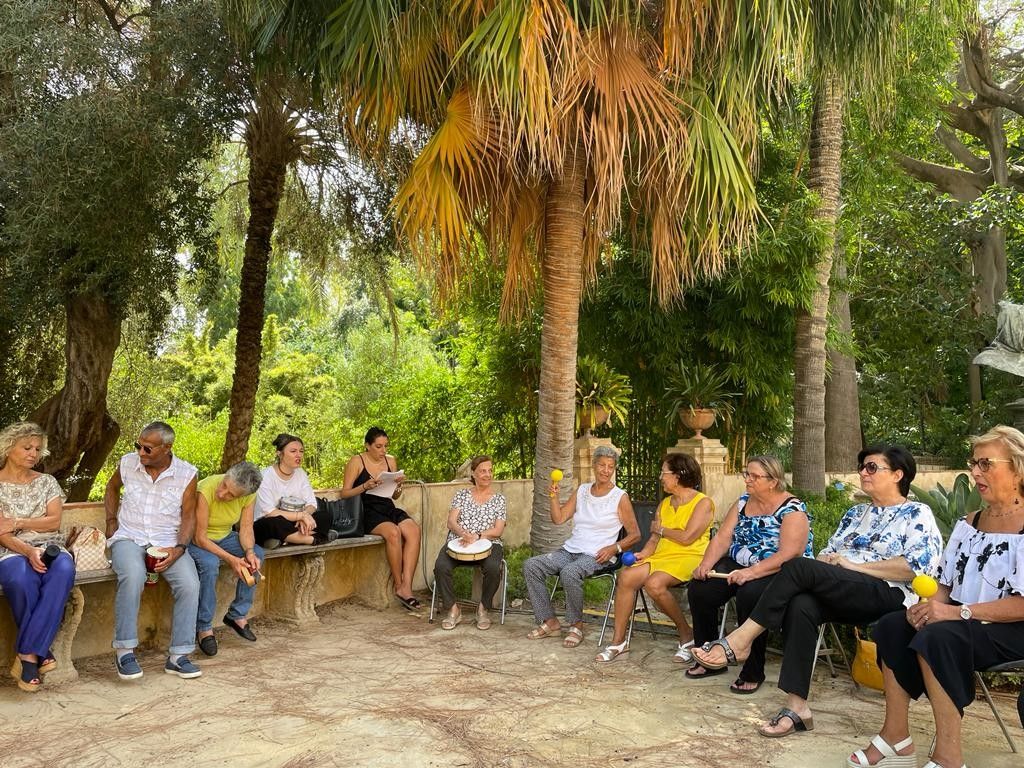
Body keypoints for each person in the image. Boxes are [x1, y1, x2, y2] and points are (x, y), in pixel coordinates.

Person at [691, 445, 943, 739]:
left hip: (887, 593)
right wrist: (831, 564)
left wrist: (855, 567)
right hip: (843, 587)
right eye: (862, 466)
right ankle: (797, 708)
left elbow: (915, 567)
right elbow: (826, 553)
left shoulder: (916, 513)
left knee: (797, 565)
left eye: (872, 467)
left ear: (898, 474)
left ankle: (740, 641)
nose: (863, 472)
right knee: (801, 604)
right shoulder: (855, 512)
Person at [847, 426, 1024, 768]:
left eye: (986, 463)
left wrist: (955, 614)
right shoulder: (968, 522)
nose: (975, 471)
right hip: (965, 622)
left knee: (938, 636)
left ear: (1017, 468)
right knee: (893, 626)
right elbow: (944, 583)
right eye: (974, 463)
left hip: (1012, 626)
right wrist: (926, 607)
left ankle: (949, 757)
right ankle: (896, 738)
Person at [685, 455, 811, 690]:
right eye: (747, 474)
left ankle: (753, 670)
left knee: (750, 594)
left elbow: (789, 553)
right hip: (741, 561)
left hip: (778, 568)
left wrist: (752, 572)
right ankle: (709, 655)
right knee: (700, 589)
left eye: (754, 476)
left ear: (773, 481)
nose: (748, 480)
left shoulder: (793, 509)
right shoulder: (743, 502)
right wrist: (706, 565)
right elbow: (723, 537)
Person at [105, 421, 202, 681]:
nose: (141, 453)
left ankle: (178, 656)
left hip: (168, 540)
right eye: (138, 446)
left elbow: (189, 515)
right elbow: (112, 487)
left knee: (190, 585)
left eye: (147, 449)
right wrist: (111, 522)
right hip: (129, 537)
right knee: (133, 576)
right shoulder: (127, 463)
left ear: (167, 448)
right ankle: (124, 650)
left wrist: (180, 548)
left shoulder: (187, 473)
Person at [596, 453, 713, 663]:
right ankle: (618, 642)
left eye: (664, 473)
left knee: (654, 584)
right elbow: (653, 539)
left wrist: (663, 529)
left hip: (691, 556)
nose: (661, 477)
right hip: (663, 555)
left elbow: (687, 538)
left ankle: (686, 635)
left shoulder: (702, 503)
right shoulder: (664, 504)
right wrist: (644, 554)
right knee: (627, 576)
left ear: (678, 475)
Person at [522, 445, 641, 648]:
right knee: (531, 565)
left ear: (614, 470)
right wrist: (553, 497)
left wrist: (614, 549)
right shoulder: (583, 490)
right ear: (594, 466)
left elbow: (635, 535)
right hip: (571, 550)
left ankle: (576, 625)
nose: (606, 470)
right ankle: (550, 622)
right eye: (602, 465)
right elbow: (558, 518)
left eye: (610, 467)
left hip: (598, 555)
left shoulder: (620, 497)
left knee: (569, 572)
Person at [0, 422, 75, 692]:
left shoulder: (46, 482)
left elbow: (54, 522)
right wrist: (29, 550)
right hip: (10, 549)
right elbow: (1, 533)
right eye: (27, 447)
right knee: (21, 578)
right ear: (9, 448)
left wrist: (17, 520)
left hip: (51, 546)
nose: (34, 453)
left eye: (38, 449)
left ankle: (28, 654)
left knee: (64, 570)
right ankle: (40, 653)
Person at [341, 427, 420, 610]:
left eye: (385, 446)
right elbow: (344, 493)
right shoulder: (356, 461)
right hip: (365, 510)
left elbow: (395, 496)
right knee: (394, 532)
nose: (383, 450)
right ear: (367, 445)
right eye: (378, 446)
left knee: (413, 530)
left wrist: (399, 486)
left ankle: (407, 585)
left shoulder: (390, 461)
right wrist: (365, 486)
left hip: (387, 506)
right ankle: (399, 586)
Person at [189, 462, 264, 654]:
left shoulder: (249, 495)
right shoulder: (206, 489)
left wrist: (248, 553)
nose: (222, 494)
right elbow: (200, 537)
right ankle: (204, 627)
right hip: (196, 540)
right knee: (210, 564)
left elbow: (246, 528)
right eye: (224, 485)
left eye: (231, 495)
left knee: (257, 554)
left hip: (224, 537)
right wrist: (231, 559)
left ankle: (237, 614)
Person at [433, 456, 506, 631]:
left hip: (489, 542)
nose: (487, 474)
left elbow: (498, 530)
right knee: (441, 566)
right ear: (473, 473)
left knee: (494, 567)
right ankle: (453, 609)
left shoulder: (499, 499)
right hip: (458, 541)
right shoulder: (461, 495)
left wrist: (478, 535)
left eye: (490, 470)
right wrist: (464, 534)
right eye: (482, 471)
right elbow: (451, 522)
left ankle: (483, 609)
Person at [254, 433, 335, 549]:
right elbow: (270, 513)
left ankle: (287, 539)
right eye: (293, 451)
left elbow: (312, 504)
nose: (299, 455)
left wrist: (304, 517)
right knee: (275, 523)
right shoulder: (265, 476)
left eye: (301, 451)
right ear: (280, 454)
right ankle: (315, 538)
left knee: (325, 516)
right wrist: (300, 516)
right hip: (267, 523)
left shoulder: (300, 473)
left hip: (294, 523)